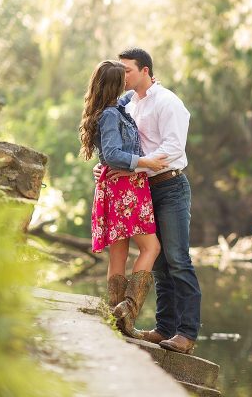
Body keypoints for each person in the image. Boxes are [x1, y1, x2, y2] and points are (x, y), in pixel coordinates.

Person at [94, 47, 201, 354]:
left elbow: (173, 150)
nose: (121, 74)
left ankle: (187, 333)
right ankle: (164, 328)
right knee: (160, 264)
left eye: (126, 69)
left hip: (170, 187)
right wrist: (112, 165)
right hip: (142, 189)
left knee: (179, 260)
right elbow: (119, 142)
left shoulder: (168, 103)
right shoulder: (128, 103)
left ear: (144, 71)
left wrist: (133, 165)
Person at [79, 60, 168, 336]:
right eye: (123, 79)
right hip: (125, 189)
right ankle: (127, 311)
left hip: (118, 187)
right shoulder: (109, 115)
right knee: (151, 248)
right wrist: (148, 162)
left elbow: (137, 91)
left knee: (118, 253)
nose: (128, 83)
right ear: (115, 85)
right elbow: (114, 154)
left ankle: (115, 320)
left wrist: (152, 82)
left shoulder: (116, 107)